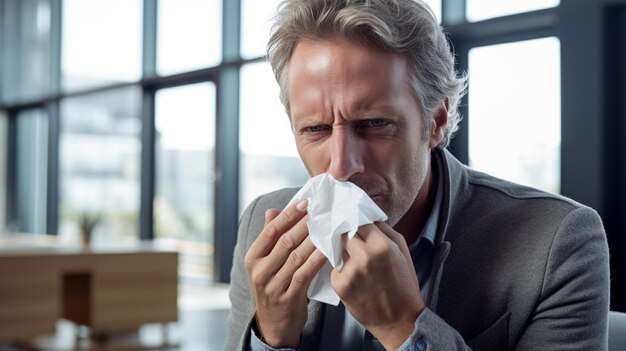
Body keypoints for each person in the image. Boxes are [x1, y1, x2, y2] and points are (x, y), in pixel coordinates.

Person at [226, 0, 610, 350]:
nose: (341, 167)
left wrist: (404, 327)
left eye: (375, 124)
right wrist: (271, 339)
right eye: (315, 129)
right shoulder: (265, 226)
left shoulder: (557, 244)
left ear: (436, 121)